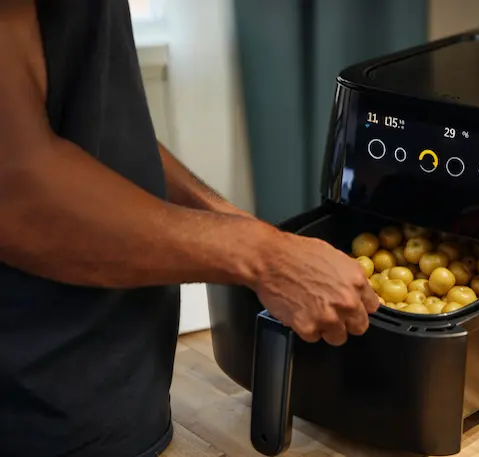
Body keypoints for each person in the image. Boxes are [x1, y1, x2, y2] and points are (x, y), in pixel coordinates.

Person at [0, 1, 380, 456]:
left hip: (118, 402)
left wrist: (235, 222)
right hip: (38, 408)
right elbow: (18, 194)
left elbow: (94, 130)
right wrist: (263, 255)